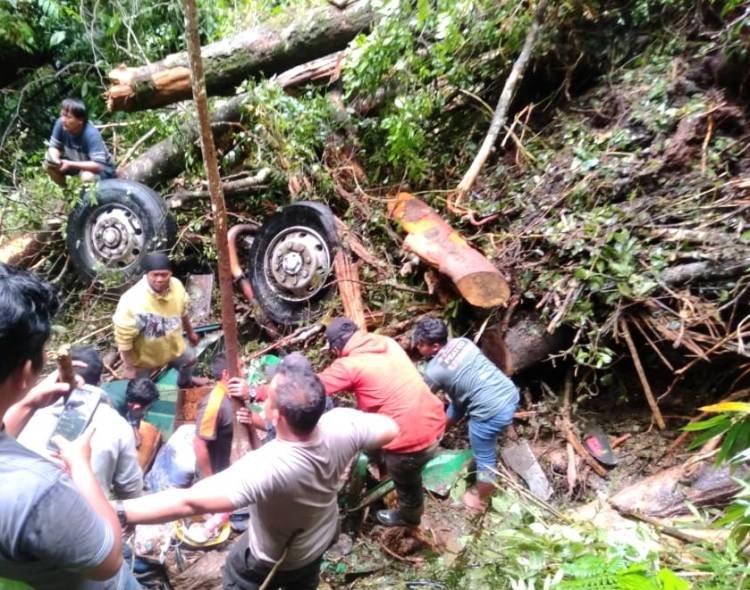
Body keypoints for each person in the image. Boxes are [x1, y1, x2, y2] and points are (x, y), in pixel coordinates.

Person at [116, 358, 399, 590]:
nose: (261, 396)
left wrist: (120, 510)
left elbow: (188, 501)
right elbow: (389, 428)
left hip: (272, 557)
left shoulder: (268, 465)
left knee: (239, 575)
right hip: (318, 540)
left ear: (277, 417)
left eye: (268, 396)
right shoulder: (342, 425)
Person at [0, 264, 135, 589]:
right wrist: (81, 465)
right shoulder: (38, 490)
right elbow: (109, 560)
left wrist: (28, 403)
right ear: (25, 371)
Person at [317, 317, 446, 527]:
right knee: (372, 434)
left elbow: (311, 388)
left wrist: (258, 392)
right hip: (435, 419)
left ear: (337, 347)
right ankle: (379, 457)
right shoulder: (387, 343)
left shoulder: (350, 365)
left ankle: (409, 516)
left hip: (412, 443)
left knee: (407, 483)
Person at [412, 317, 520, 509]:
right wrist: (440, 429)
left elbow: (419, 399)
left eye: (421, 344)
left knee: (485, 458)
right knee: (462, 405)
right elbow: (459, 399)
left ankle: (481, 499)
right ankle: (440, 434)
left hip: (490, 412)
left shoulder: (435, 370)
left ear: (435, 346)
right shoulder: (462, 343)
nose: (418, 347)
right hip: (508, 393)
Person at [16, 346, 143, 499]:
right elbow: (131, 491)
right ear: (99, 380)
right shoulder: (118, 426)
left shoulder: (23, 412)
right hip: (83, 515)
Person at [113, 252, 200, 388]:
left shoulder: (176, 286)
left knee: (190, 359)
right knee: (141, 391)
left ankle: (186, 384)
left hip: (172, 347)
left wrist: (190, 333)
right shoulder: (130, 301)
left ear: (170, 274)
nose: (159, 279)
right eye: (155, 275)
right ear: (147, 274)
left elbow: (183, 313)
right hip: (145, 358)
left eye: (164, 274)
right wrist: (129, 367)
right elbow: (124, 340)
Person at [44, 97, 117, 186]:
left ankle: (89, 199)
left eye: (68, 117)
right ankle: (68, 193)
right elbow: (54, 147)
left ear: (80, 120)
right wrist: (55, 160)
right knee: (49, 165)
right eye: (63, 115)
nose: (63, 120)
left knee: (87, 176)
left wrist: (70, 164)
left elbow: (98, 165)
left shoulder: (91, 134)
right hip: (76, 165)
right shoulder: (61, 124)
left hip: (102, 171)